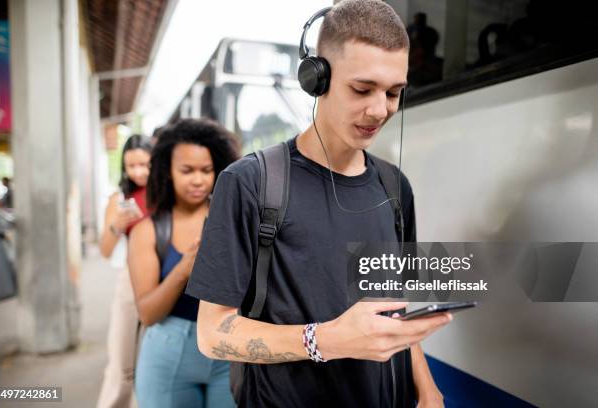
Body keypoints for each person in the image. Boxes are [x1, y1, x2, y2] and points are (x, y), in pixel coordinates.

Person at [186, 1, 450, 407]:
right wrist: (324, 339)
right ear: (316, 78)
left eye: (394, 93)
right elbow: (212, 333)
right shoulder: (249, 183)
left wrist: (427, 389)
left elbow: (394, 311)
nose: (380, 110)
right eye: (362, 89)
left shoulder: (396, 188)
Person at [128, 119, 240, 408]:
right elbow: (148, 313)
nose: (198, 180)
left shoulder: (234, 219)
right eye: (187, 171)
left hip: (229, 348)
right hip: (168, 354)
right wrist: (185, 268)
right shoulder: (148, 231)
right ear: (167, 172)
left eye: (206, 170)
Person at [97, 134, 152, 408]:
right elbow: (105, 250)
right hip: (129, 283)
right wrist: (116, 224)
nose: (139, 171)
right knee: (121, 363)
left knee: (155, 360)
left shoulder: (167, 192)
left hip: (165, 281)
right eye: (132, 166)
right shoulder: (119, 199)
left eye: (145, 164)